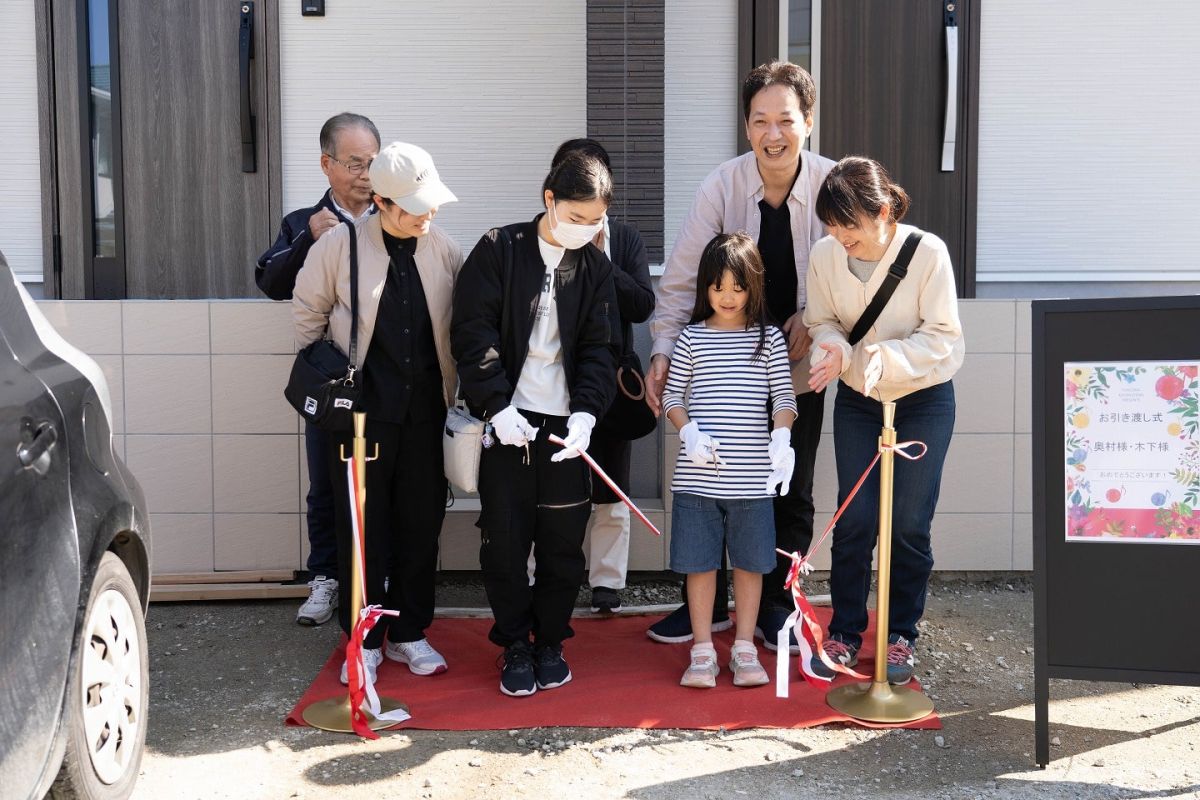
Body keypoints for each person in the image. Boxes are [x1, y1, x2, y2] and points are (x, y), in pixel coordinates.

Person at [645, 61, 835, 649]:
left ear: (808, 120)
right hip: (717, 369)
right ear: (746, 125)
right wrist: (661, 353)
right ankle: (709, 607)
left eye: (785, 120)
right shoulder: (720, 186)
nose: (772, 134)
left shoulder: (834, 186)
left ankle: (778, 604)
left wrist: (815, 316)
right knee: (706, 487)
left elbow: (862, 271)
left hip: (796, 370)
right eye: (760, 121)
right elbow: (680, 282)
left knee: (788, 488)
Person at [293, 141, 463, 685]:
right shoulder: (339, 247)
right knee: (364, 530)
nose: (428, 214)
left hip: (425, 413)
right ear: (384, 203)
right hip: (362, 417)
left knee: (421, 524)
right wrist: (329, 382)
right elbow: (307, 318)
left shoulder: (442, 249)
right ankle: (364, 638)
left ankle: (410, 632)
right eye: (416, 206)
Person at [451, 151, 617, 697]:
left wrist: (588, 414)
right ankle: (514, 645)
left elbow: (600, 348)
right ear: (549, 200)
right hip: (507, 424)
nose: (585, 230)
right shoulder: (501, 249)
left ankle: (550, 640)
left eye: (595, 221)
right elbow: (472, 333)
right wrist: (496, 406)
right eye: (576, 218)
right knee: (504, 540)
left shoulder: (594, 267)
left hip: (565, 426)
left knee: (563, 543)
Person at [803, 156, 964, 685]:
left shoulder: (927, 253)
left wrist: (882, 358)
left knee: (910, 523)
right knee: (855, 518)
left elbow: (944, 338)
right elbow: (822, 320)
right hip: (857, 400)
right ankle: (846, 630)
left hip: (922, 399)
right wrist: (831, 350)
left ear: (884, 210)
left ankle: (899, 636)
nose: (838, 236)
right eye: (831, 225)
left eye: (848, 225)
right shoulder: (826, 255)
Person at [255, 112, 380, 626]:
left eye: (373, 161)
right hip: (327, 379)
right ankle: (325, 578)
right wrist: (309, 236)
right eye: (354, 163)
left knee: (381, 482)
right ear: (327, 164)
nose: (366, 173)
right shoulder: (303, 220)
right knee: (326, 482)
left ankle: (376, 581)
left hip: (383, 376)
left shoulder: (391, 215)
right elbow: (270, 280)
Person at [662, 233, 797, 689]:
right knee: (700, 566)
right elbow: (671, 398)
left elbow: (784, 396)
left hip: (752, 482)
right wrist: (689, 430)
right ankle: (702, 650)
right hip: (696, 481)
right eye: (717, 286)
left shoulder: (770, 339)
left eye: (737, 287)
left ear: (753, 286)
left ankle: (743, 647)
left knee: (752, 565)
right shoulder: (691, 338)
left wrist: (782, 435)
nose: (727, 296)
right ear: (705, 288)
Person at [550, 139, 654, 615]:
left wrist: (600, 260)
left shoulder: (625, 238)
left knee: (612, 483)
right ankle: (552, 576)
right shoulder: (544, 238)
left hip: (612, 380)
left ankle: (608, 583)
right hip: (554, 379)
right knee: (554, 482)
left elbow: (641, 305)